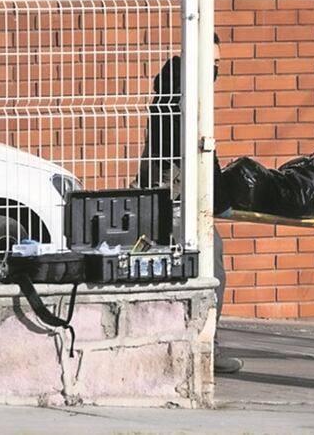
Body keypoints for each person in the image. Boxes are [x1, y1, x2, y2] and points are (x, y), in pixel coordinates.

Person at [134, 33, 243, 374]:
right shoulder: (182, 101)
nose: (215, 72)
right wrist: (222, 201)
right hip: (173, 200)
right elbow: (199, 154)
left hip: (166, 196)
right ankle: (207, 347)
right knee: (212, 262)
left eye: (218, 66)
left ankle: (185, 342)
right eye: (211, 65)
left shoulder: (172, 92)